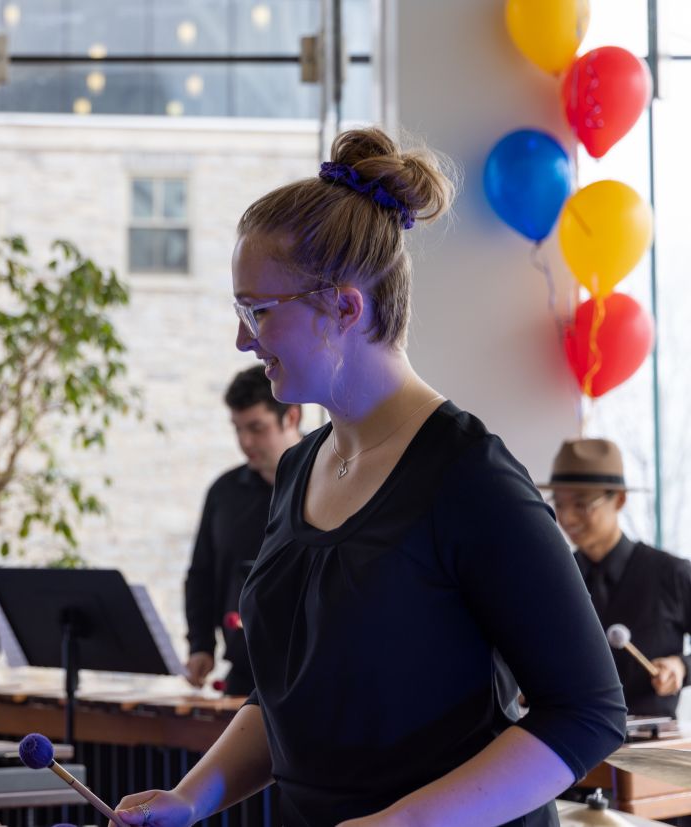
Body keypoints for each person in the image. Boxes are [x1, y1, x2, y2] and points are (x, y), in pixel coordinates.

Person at [116, 127, 625, 827]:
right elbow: (288, 697)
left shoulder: (469, 477)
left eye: (257, 311)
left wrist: (401, 823)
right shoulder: (298, 467)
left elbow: (588, 712)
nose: (242, 338)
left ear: (345, 307)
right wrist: (190, 796)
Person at [540, 437, 691, 719]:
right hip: (575, 739)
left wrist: (681, 666)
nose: (567, 518)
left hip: (652, 741)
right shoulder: (554, 579)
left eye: (581, 504)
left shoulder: (671, 573)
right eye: (559, 505)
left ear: (619, 499)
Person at [184, 365, 301, 696]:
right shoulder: (224, 492)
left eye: (256, 428)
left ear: (291, 417)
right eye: (238, 429)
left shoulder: (328, 480)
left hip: (308, 674)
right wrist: (200, 644)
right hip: (244, 672)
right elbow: (201, 574)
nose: (245, 441)